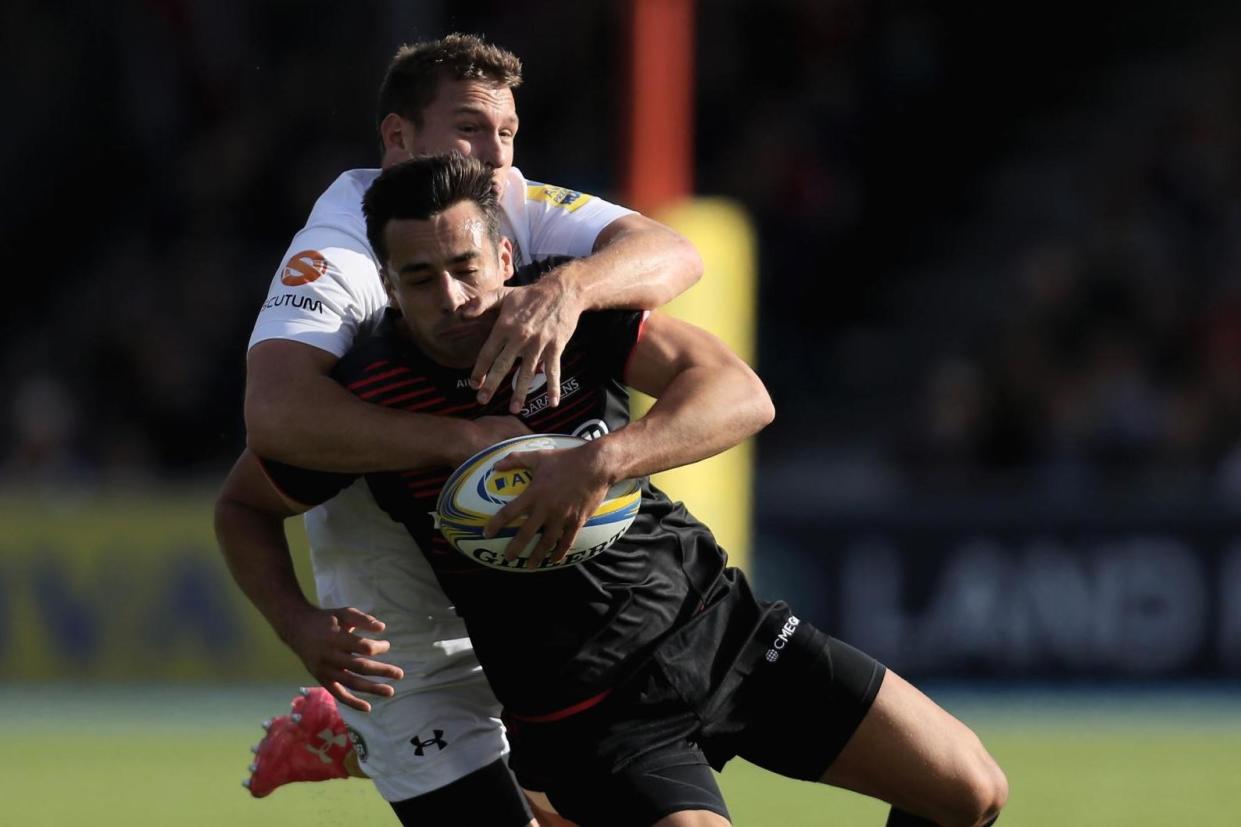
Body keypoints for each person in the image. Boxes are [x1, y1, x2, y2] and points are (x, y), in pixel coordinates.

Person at [223, 154, 1009, 827]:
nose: (454, 298)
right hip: (589, 715)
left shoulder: (565, 315)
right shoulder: (368, 397)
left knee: (969, 791)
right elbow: (244, 506)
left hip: (721, 626)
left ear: (503, 254)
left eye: (466, 267)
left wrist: (598, 463)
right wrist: (297, 621)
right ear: (389, 286)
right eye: (421, 279)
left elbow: (741, 395)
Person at [221, 33, 700, 825]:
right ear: (398, 140)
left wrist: (571, 288)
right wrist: (458, 439)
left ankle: (343, 736)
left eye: (507, 133)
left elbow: (674, 253)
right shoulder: (339, 250)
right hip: (402, 632)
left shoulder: (504, 202)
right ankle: (358, 726)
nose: (496, 154)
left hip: (522, 598)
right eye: (472, 129)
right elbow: (272, 415)